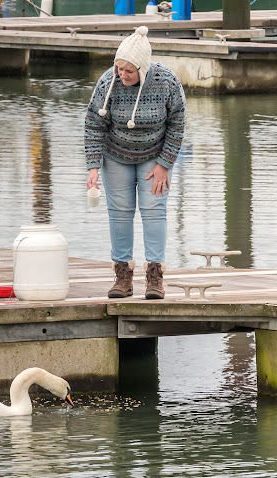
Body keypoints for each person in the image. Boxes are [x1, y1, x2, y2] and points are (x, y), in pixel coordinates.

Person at [84, 26, 186, 300]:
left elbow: (177, 122)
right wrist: (93, 166)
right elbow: (94, 124)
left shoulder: (166, 81)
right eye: (119, 69)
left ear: (143, 68)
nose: (122, 75)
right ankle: (123, 276)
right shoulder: (108, 82)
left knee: (154, 210)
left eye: (129, 71)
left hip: (155, 156)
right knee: (119, 212)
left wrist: (165, 163)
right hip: (116, 155)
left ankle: (154, 276)